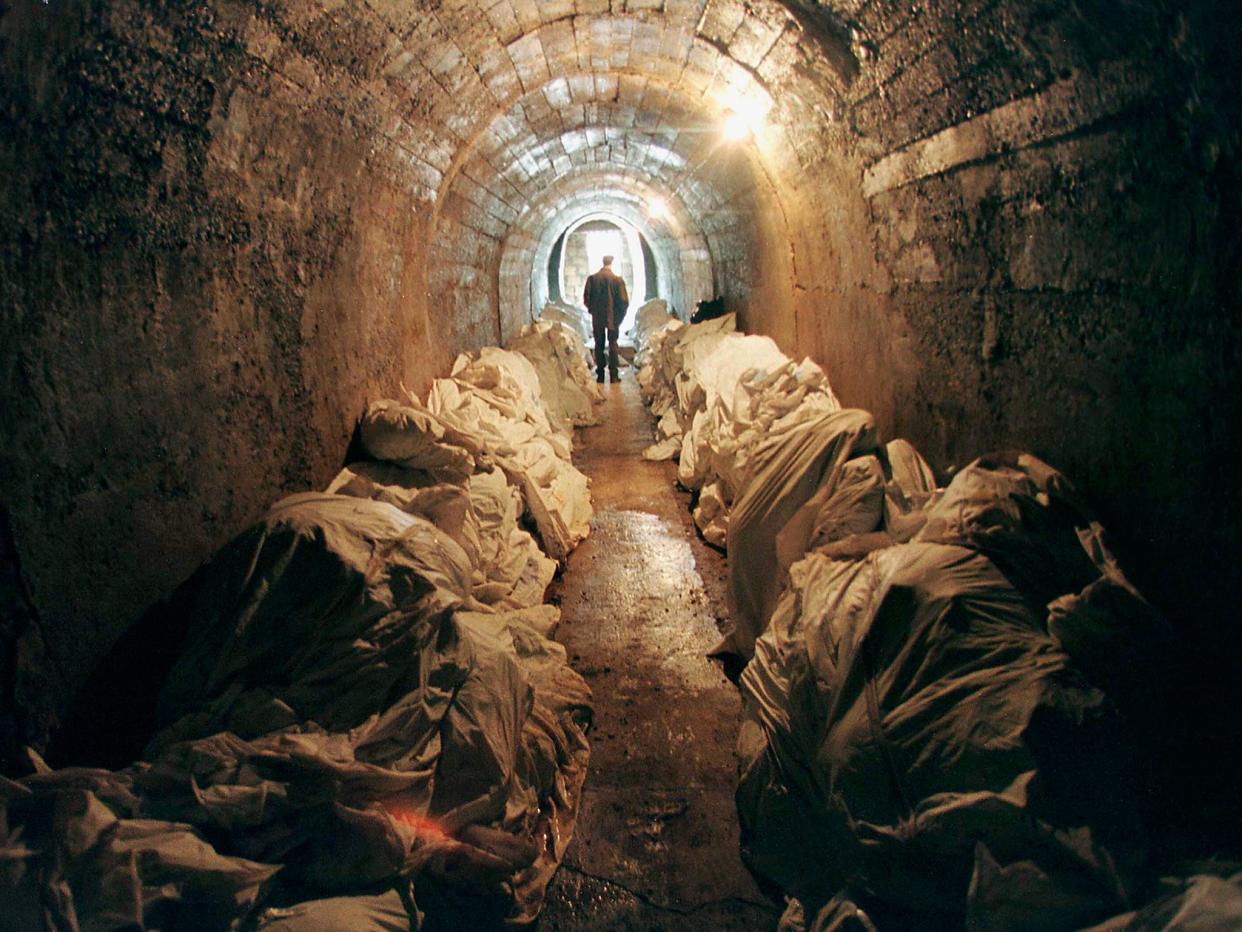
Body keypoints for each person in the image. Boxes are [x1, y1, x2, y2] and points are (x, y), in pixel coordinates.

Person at [582, 255, 629, 383]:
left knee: (599, 345)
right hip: (613, 318)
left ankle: (600, 375)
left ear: (603, 263)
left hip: (598, 317)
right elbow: (624, 301)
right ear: (611, 263)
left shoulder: (593, 279)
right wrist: (619, 316)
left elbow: (586, 298)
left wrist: (593, 310)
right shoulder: (617, 280)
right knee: (613, 344)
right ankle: (613, 375)